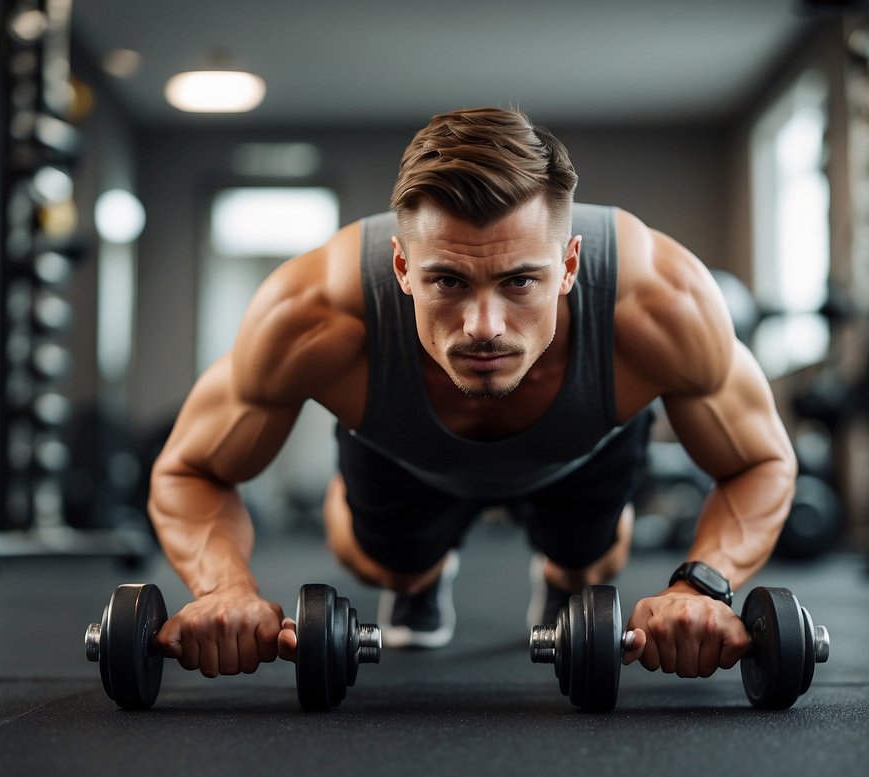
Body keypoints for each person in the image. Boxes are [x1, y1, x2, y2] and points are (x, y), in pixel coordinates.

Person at [148, 106, 796, 683]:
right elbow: (191, 469)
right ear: (402, 267)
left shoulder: (661, 301)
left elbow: (758, 462)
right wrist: (222, 589)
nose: (482, 327)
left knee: (587, 565)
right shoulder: (311, 311)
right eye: (448, 282)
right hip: (406, 457)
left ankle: (563, 576)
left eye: (519, 282)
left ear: (569, 265)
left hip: (578, 452)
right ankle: (418, 578)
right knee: (389, 565)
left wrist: (701, 586)